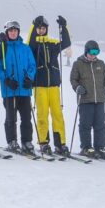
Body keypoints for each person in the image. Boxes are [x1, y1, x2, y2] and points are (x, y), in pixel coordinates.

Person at [69, 39, 105, 160]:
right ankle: (86, 148)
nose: (94, 55)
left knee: (100, 125)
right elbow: (73, 79)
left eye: (96, 52)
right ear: (86, 51)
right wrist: (77, 87)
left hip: (99, 99)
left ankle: (100, 147)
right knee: (85, 124)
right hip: (85, 100)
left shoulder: (101, 64)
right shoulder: (78, 64)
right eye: (92, 52)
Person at [0, 20, 38, 155]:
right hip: (9, 90)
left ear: (18, 32)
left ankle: (27, 141)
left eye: (15, 31)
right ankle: (12, 141)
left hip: (24, 89)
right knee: (11, 118)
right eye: (10, 31)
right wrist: (6, 79)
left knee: (26, 118)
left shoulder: (25, 48)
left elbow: (32, 65)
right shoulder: (3, 48)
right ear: (7, 33)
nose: (13, 33)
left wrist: (29, 78)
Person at [29, 15, 72, 157]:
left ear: (46, 29)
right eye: (39, 28)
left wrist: (63, 26)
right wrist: (33, 25)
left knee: (57, 115)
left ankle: (60, 144)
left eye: (43, 28)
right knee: (42, 115)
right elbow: (30, 41)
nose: (41, 30)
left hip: (54, 85)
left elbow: (66, 42)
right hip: (40, 86)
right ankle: (44, 143)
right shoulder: (33, 45)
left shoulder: (52, 44)